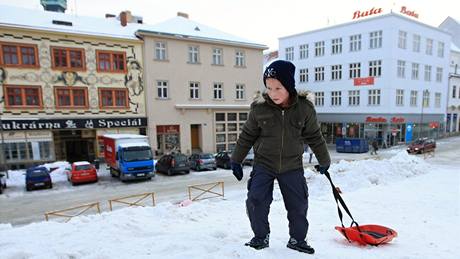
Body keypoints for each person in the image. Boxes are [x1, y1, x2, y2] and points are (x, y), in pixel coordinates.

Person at [230, 60, 331, 254]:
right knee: (256, 200)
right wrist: (236, 159)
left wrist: (324, 161)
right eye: (269, 88)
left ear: (289, 86)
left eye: (278, 88)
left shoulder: (304, 109)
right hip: (264, 164)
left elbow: (315, 137)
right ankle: (260, 236)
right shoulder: (259, 108)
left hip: (292, 165)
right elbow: (247, 135)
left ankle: (297, 240)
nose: (273, 93)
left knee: (298, 204)